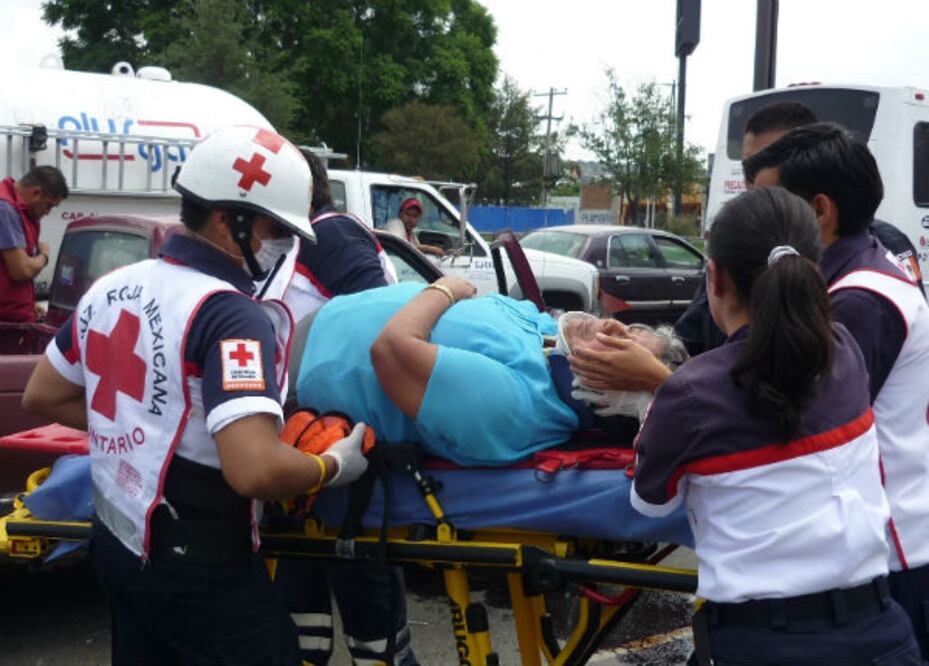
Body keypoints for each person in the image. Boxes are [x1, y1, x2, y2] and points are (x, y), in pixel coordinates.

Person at [20, 126, 370, 666]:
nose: (282, 243)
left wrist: (147, 427)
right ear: (230, 220)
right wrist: (328, 466)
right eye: (275, 228)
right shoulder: (231, 313)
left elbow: (43, 394)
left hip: (117, 544)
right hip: (202, 564)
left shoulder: (115, 285)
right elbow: (253, 471)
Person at [631, 187, 921, 665]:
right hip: (882, 636)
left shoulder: (690, 392)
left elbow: (648, 503)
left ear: (715, 279)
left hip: (762, 643)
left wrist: (656, 389)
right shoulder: (844, 351)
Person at [742, 122, 929, 658]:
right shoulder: (843, 279)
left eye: (768, 207)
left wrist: (660, 386)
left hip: (891, 561)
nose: (754, 225)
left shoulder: (858, 301)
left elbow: (797, 423)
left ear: (819, 211)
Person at [265, 150, 415, 666]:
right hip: (300, 444)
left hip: (344, 441)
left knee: (367, 607)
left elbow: (375, 319)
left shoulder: (330, 235)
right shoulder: (287, 245)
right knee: (297, 608)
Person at [296, 279, 686, 466]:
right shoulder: (548, 335)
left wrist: (444, 289)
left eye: (620, 350)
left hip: (306, 362)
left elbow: (391, 351)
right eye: (632, 329)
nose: (613, 327)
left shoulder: (518, 406)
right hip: (319, 319)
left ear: (603, 400)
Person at [673, 102, 924, 357]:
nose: (754, 209)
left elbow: (796, 395)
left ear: (819, 210)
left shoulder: (858, 302)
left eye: (771, 200)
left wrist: (664, 379)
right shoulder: (846, 269)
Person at [0, 166, 68, 322]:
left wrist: (30, 303)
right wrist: (44, 256)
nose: (47, 212)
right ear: (36, 192)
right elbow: (21, 271)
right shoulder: (5, 210)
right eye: (49, 205)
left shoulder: (21, 212)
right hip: (5, 324)